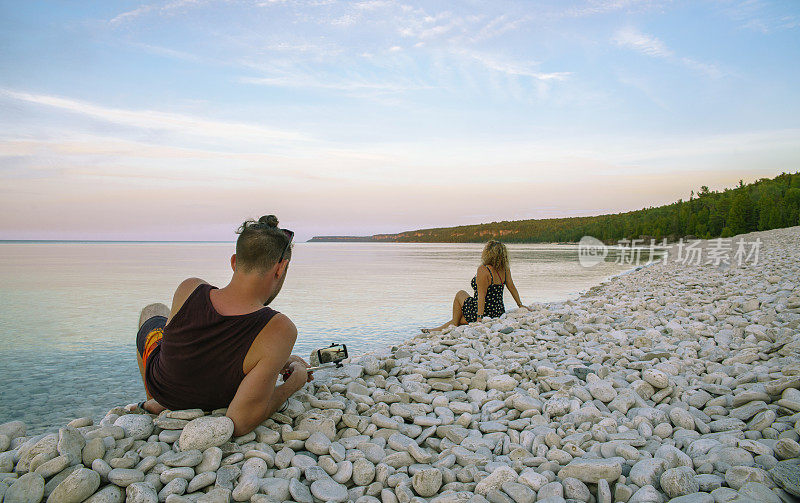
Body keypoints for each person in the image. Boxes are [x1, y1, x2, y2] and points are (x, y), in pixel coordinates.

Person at [133, 215, 311, 436]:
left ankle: (155, 401)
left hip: (165, 389)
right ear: (280, 268)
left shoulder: (190, 288)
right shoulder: (278, 329)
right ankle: (158, 402)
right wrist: (293, 383)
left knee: (153, 312)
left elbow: (179, 349)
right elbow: (241, 421)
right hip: (215, 397)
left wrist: (279, 362)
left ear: (234, 261)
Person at [423, 240, 525, 333]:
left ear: (488, 253)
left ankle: (450, 325)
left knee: (460, 294)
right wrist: (520, 305)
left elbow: (482, 295)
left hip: (481, 311)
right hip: (498, 311)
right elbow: (512, 287)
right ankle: (435, 330)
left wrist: (479, 317)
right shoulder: (505, 269)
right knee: (460, 318)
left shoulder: (483, 269)